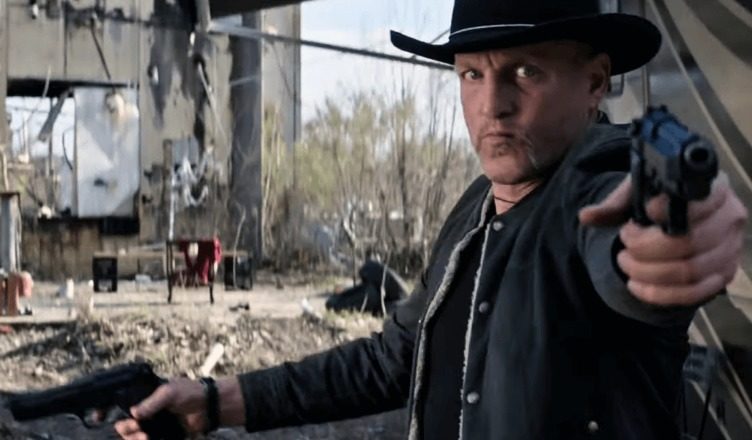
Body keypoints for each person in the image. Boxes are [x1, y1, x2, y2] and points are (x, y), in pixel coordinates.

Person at [115, 1, 748, 439]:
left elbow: (628, 233)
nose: (493, 105)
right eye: (472, 73)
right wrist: (214, 401)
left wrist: (672, 232)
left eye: (526, 71)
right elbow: (396, 358)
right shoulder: (476, 207)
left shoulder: (600, 181)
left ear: (595, 83)